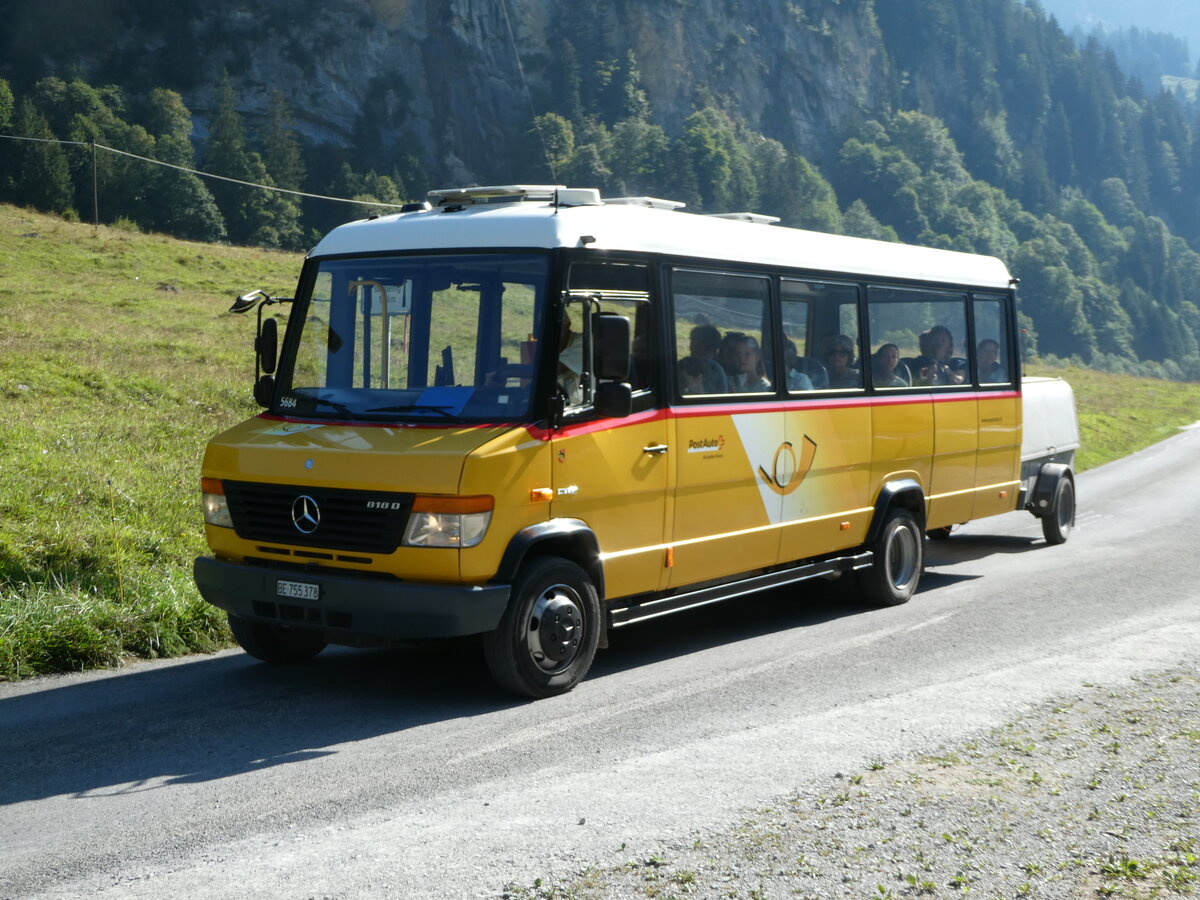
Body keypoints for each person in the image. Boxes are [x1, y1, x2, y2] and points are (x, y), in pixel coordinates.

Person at [686, 324, 728, 393]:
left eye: (694, 343)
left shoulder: (715, 370)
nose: (690, 347)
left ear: (709, 347)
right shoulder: (686, 364)